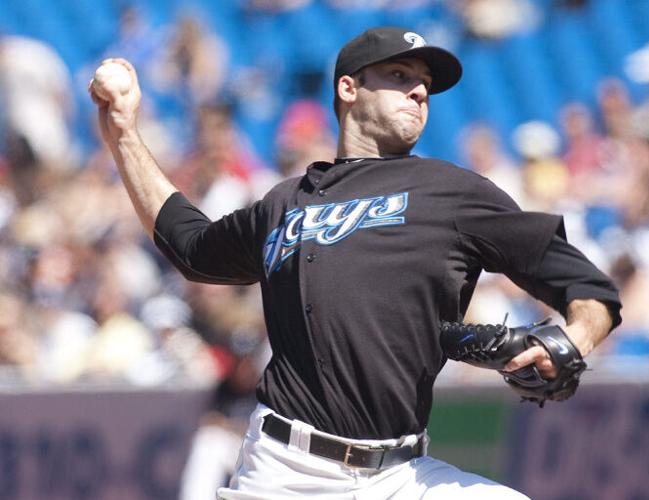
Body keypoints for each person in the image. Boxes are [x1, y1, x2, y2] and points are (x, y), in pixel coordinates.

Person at [89, 27, 621, 499]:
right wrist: (124, 135)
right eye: (399, 74)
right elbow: (191, 246)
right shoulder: (283, 203)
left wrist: (575, 340)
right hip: (285, 472)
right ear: (349, 88)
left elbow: (585, 285)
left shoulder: (451, 192)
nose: (419, 90)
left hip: (402, 475)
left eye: (425, 85)